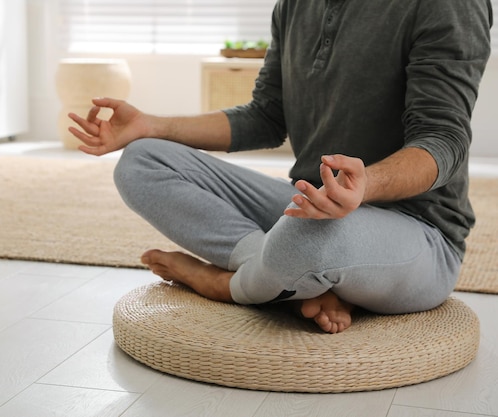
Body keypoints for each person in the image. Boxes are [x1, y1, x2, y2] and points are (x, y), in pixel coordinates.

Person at [68, 0, 493, 333]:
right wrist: (152, 125)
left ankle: (226, 284)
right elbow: (266, 117)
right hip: (311, 206)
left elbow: (444, 139)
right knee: (142, 159)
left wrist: (367, 185)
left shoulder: (448, 3)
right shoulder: (294, 4)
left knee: (307, 237)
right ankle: (292, 276)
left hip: (420, 234)